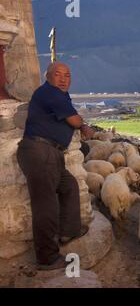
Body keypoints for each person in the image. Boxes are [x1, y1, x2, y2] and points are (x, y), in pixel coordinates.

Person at [17, 62, 95, 270]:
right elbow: (75, 120)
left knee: (69, 185)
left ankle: (68, 231)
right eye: (58, 75)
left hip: (51, 153)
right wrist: (83, 125)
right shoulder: (50, 93)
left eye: (67, 75)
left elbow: (73, 119)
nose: (63, 79)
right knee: (46, 205)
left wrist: (81, 123)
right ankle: (47, 257)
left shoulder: (58, 97)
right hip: (39, 151)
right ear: (48, 77)